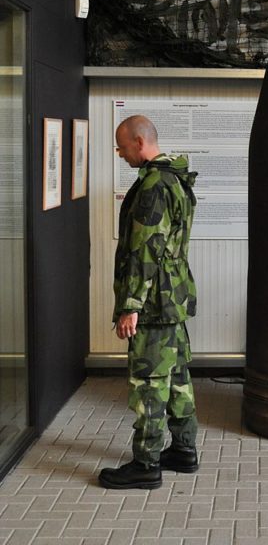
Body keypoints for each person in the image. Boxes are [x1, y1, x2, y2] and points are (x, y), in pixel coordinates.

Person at [99, 115, 199, 490]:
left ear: (140, 142)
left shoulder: (155, 187)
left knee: (148, 383)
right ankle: (184, 450)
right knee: (176, 378)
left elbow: (146, 250)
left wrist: (131, 305)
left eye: (122, 147)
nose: (120, 154)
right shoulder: (175, 179)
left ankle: (146, 463)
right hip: (172, 298)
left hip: (154, 303)